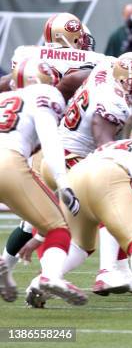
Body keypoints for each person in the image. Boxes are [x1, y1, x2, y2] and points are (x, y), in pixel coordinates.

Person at [52, 121, 132, 312]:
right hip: (110, 175)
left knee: (81, 245)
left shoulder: (115, 145)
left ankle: (46, 277)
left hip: (75, 176)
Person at [0, 58, 85, 306]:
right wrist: (63, 181)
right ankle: (51, 276)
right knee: (57, 227)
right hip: (8, 163)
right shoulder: (46, 94)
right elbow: (49, 138)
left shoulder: (4, 98)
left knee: (40, 224)